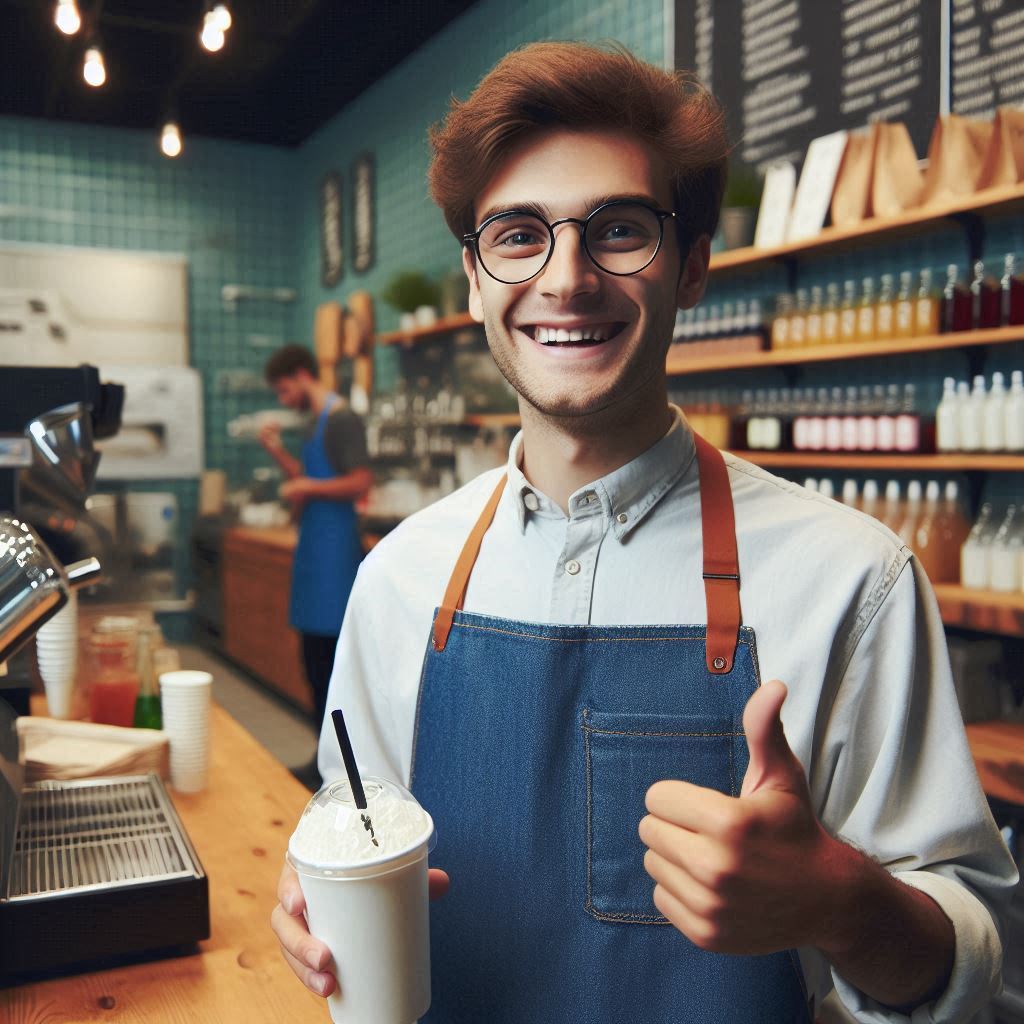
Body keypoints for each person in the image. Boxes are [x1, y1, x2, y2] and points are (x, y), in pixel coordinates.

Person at [271, 42, 1017, 1023]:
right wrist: (314, 892)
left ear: (692, 266)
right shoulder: (399, 578)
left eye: (619, 229)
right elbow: (348, 813)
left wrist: (843, 901)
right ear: (473, 280)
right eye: (517, 234)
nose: (566, 277)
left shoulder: (852, 579)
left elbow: (984, 979)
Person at [260, 344, 373, 733]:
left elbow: (361, 481)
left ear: (302, 376)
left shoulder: (342, 419)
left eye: (283, 390)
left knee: (332, 667)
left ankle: (339, 770)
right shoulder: (314, 423)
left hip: (337, 556)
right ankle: (322, 759)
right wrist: (276, 452)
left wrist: (307, 484)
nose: (283, 399)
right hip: (314, 551)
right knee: (313, 665)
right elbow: (305, 479)